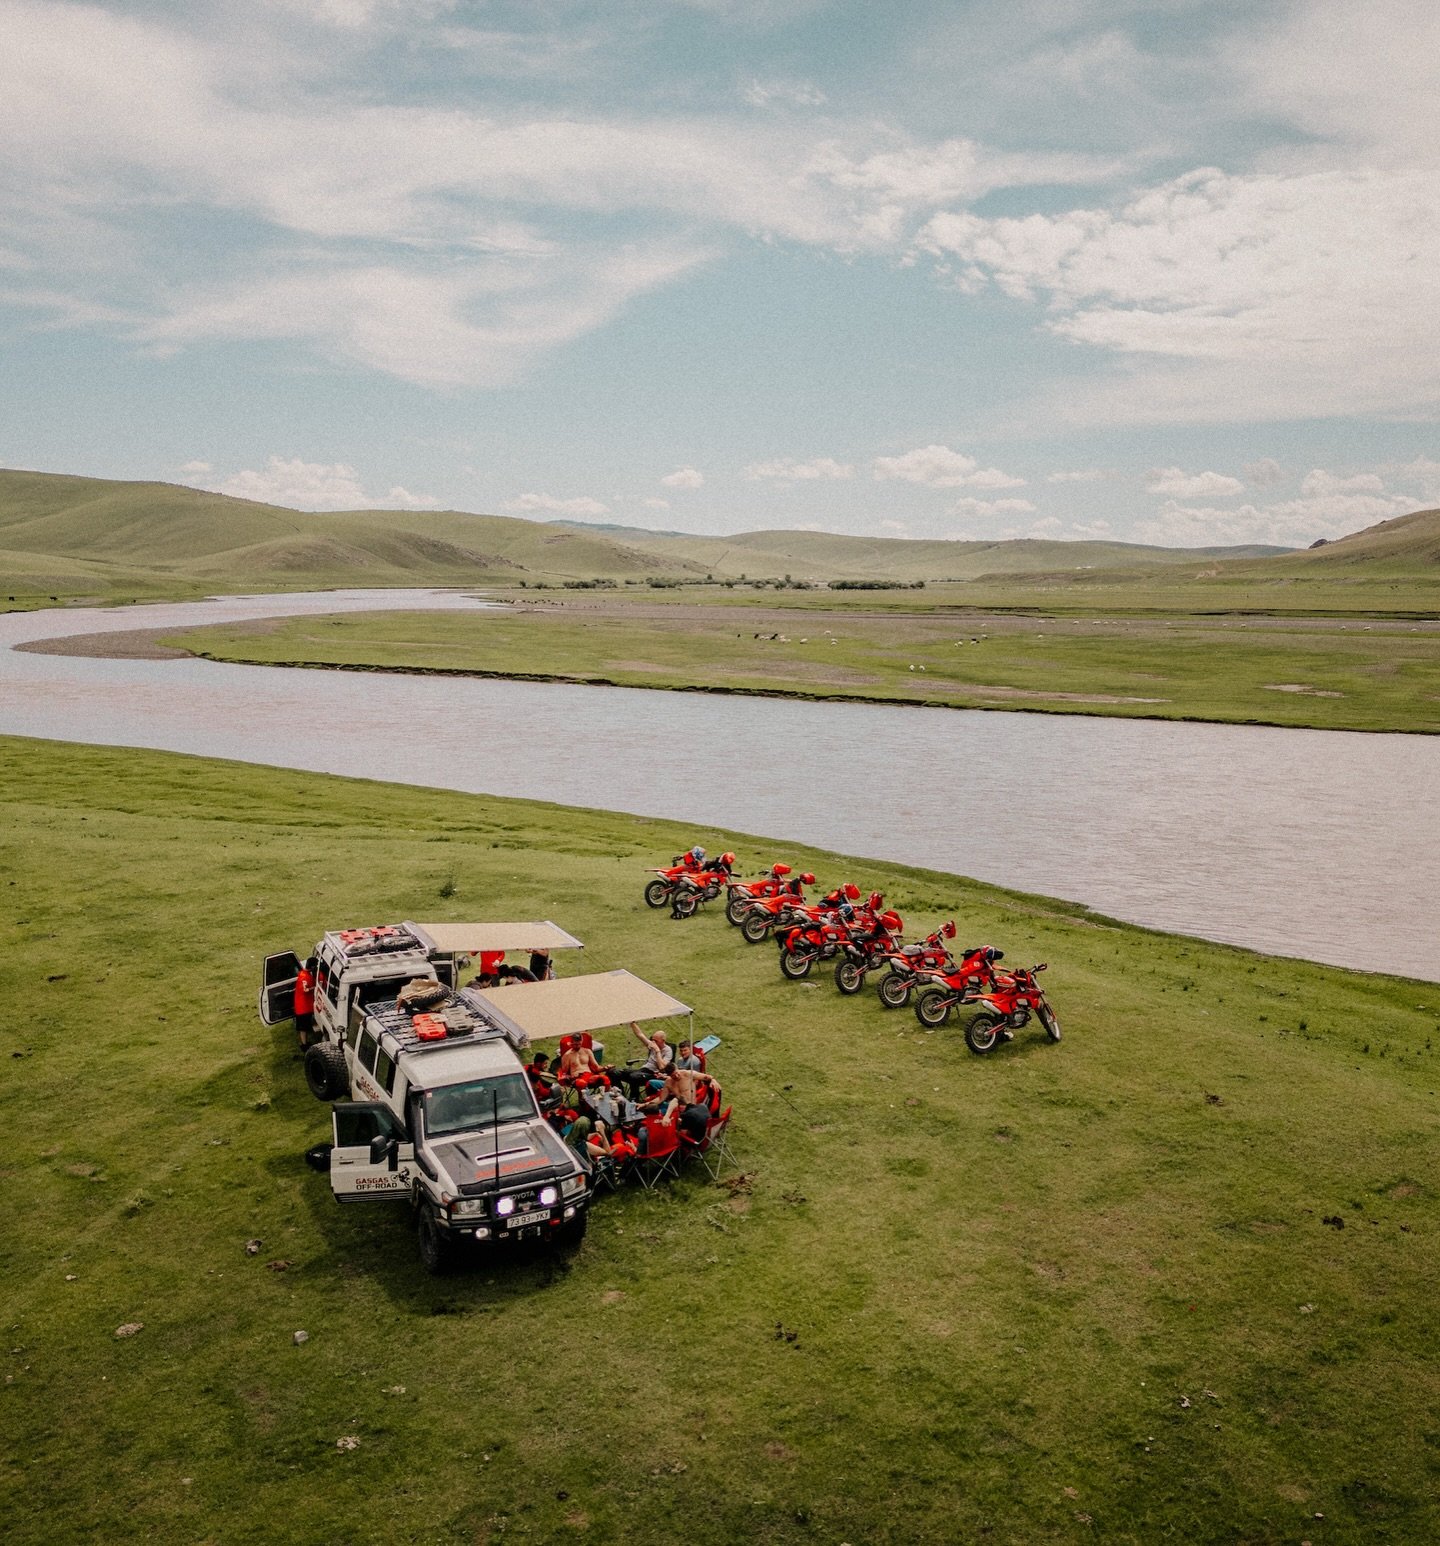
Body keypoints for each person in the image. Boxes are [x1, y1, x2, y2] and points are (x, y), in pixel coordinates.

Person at [619, 1021, 673, 1095]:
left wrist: (657, 1051)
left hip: (655, 1074)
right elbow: (640, 1035)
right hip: (644, 1070)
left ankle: (634, 1097)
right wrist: (632, 1022)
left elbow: (661, 1067)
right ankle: (619, 1093)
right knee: (616, 1072)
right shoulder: (652, 1044)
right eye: (652, 1040)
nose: (653, 1042)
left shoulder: (668, 1050)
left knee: (634, 1076)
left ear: (663, 1041)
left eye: (656, 1041)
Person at [293, 958, 316, 1048]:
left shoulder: (303, 973)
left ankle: (305, 1043)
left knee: (304, 1027)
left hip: (303, 1006)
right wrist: (315, 987)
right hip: (303, 1007)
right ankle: (304, 1045)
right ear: (312, 966)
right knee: (303, 1027)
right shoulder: (304, 977)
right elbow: (305, 989)